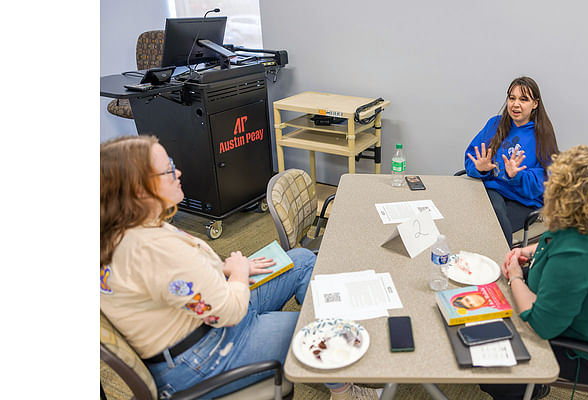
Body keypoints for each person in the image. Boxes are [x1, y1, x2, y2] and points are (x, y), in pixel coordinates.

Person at [100, 136, 380, 400]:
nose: (179, 172)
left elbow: (172, 281)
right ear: (139, 189)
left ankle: (330, 356)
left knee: (300, 259)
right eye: (169, 169)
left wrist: (227, 269)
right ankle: (343, 385)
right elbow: (230, 313)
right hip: (207, 353)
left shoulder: (124, 228)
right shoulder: (153, 251)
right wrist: (238, 272)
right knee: (320, 330)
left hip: (202, 323)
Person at [480, 145, 588, 400]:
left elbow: (542, 324)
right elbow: (565, 237)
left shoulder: (579, 254)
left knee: (488, 349)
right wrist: (534, 250)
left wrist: (516, 276)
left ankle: (525, 389)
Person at [464, 76, 559, 246]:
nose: (515, 104)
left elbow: (548, 181)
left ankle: (503, 264)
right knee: (493, 213)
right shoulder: (494, 124)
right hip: (493, 191)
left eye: (523, 99)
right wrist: (481, 169)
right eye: (512, 98)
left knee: (490, 226)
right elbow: (471, 160)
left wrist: (517, 175)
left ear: (535, 104)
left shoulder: (543, 135)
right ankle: (504, 263)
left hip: (523, 200)